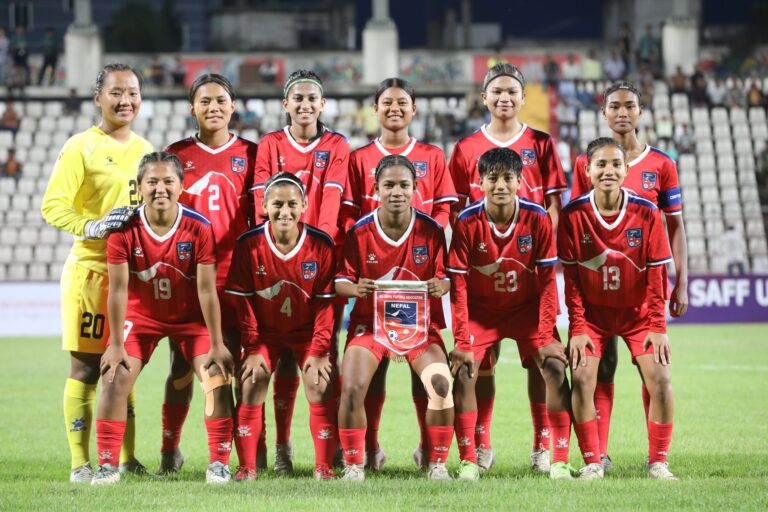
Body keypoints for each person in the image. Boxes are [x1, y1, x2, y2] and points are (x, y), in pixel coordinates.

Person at [448, 63, 567, 473]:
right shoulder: (466, 147)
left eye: (511, 91)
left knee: (541, 362)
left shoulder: (541, 143)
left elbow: (554, 204)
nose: (504, 97)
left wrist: (537, 244)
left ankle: (543, 447)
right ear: (484, 97)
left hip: (528, 272)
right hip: (483, 271)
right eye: (496, 91)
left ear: (522, 97)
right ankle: (480, 446)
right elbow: (455, 208)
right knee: (481, 364)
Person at [41, 63, 154, 483]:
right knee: (87, 370)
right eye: (116, 93)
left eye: (133, 93)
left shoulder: (146, 149)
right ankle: (80, 464)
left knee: (123, 370)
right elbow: (53, 205)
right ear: (98, 98)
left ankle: (126, 459)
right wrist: (92, 226)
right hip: (91, 274)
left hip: (132, 276)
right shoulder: (80, 147)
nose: (126, 101)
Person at [92, 152, 235, 485]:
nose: (160, 188)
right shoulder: (123, 229)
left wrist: (217, 343)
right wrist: (115, 344)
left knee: (216, 376)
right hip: (141, 317)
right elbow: (117, 290)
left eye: (168, 181)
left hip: (190, 318)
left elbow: (206, 290)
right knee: (114, 376)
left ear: (181, 186)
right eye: (152, 182)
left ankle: (219, 463)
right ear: (139, 186)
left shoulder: (199, 227)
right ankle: (107, 466)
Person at [340, 77, 457, 470]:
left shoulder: (432, 159)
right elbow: (347, 227)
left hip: (418, 315)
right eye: (386, 102)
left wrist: (439, 271)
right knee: (359, 383)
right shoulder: (358, 161)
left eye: (402, 102)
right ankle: (363, 456)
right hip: (372, 313)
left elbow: (445, 218)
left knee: (435, 382)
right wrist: (358, 275)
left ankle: (432, 458)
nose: (395, 191)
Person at [570, 82, 687, 472]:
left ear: (640, 111)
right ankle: (597, 457)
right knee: (600, 369)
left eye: (629, 106)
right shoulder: (586, 163)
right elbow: (578, 227)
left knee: (653, 372)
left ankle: (657, 461)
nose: (622, 112)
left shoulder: (662, 165)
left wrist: (681, 281)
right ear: (603, 112)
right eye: (614, 106)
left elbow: (675, 226)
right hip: (597, 295)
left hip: (640, 294)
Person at [251, 69, 349, 473]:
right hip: (276, 261)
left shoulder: (337, 145)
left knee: (324, 355)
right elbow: (262, 205)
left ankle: (336, 447)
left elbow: (332, 200)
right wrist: (282, 250)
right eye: (298, 98)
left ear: (322, 104)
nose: (305, 105)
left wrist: (315, 250)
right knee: (283, 359)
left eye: (312, 99)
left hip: (320, 262)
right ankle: (281, 447)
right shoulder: (269, 144)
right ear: (285, 104)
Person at [161, 74, 257, 474]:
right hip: (190, 282)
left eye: (221, 100)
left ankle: (248, 456)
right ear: (192, 108)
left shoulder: (252, 153)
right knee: (182, 369)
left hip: (238, 281)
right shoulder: (175, 154)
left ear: (233, 106)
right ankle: (170, 449)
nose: (213, 107)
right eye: (205, 101)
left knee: (241, 368)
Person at [225, 172, 338, 481]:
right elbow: (244, 303)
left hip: (306, 333)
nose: (284, 211)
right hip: (265, 334)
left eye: (292, 204)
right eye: (277, 204)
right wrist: (252, 347)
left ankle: (323, 468)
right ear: (264, 206)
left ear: (304, 206)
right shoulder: (248, 244)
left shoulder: (321, 244)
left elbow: (325, 306)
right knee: (251, 380)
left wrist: (319, 350)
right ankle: (247, 468)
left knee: (319, 382)